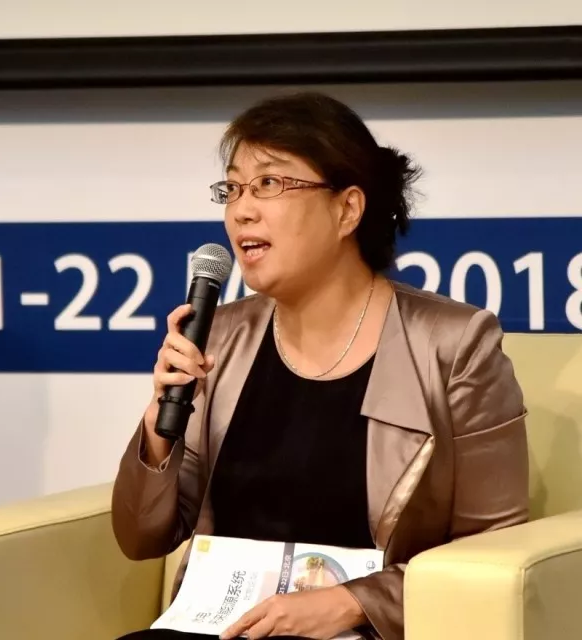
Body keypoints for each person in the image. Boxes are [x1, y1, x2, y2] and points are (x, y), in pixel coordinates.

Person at [111, 91, 529, 640]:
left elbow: (492, 556)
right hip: (220, 628)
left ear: (347, 209)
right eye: (233, 188)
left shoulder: (452, 345)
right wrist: (159, 425)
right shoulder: (222, 337)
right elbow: (142, 538)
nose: (241, 210)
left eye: (268, 183)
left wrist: (354, 603)